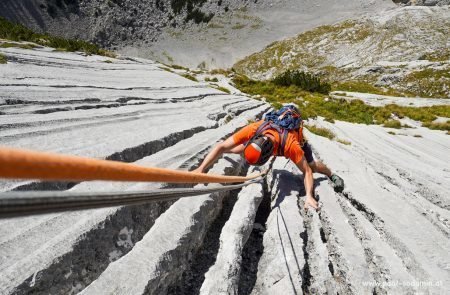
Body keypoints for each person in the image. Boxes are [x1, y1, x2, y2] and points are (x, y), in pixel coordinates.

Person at [192, 106, 344, 210]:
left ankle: (331, 174)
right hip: (271, 141)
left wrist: (309, 197)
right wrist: (201, 169)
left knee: (313, 167)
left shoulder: (291, 145)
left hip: (294, 141)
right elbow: (221, 146)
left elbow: (307, 173)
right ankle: (227, 155)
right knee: (231, 149)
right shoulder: (255, 128)